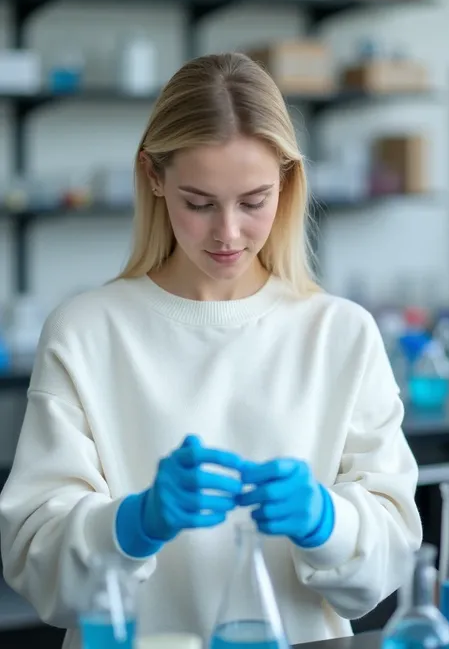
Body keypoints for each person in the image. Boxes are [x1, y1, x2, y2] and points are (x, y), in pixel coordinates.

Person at [0, 52, 422, 649]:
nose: (228, 232)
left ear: (289, 181)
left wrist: (327, 521)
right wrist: (133, 523)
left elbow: (388, 563)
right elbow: (35, 565)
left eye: (254, 201)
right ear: (152, 176)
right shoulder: (86, 330)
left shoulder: (340, 334)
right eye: (198, 202)